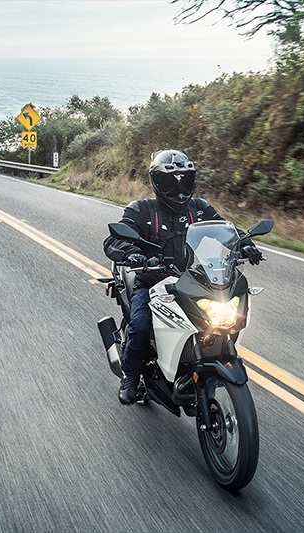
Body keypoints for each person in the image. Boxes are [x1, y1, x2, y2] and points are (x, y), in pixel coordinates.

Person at [104, 149, 263, 404]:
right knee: (141, 324)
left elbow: (226, 230)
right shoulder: (142, 210)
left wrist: (244, 245)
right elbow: (114, 240)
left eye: (184, 180)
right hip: (150, 280)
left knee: (214, 318)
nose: (179, 189)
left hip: (189, 280)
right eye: (170, 182)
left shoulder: (199, 209)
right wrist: (133, 254)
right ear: (157, 183)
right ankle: (131, 376)